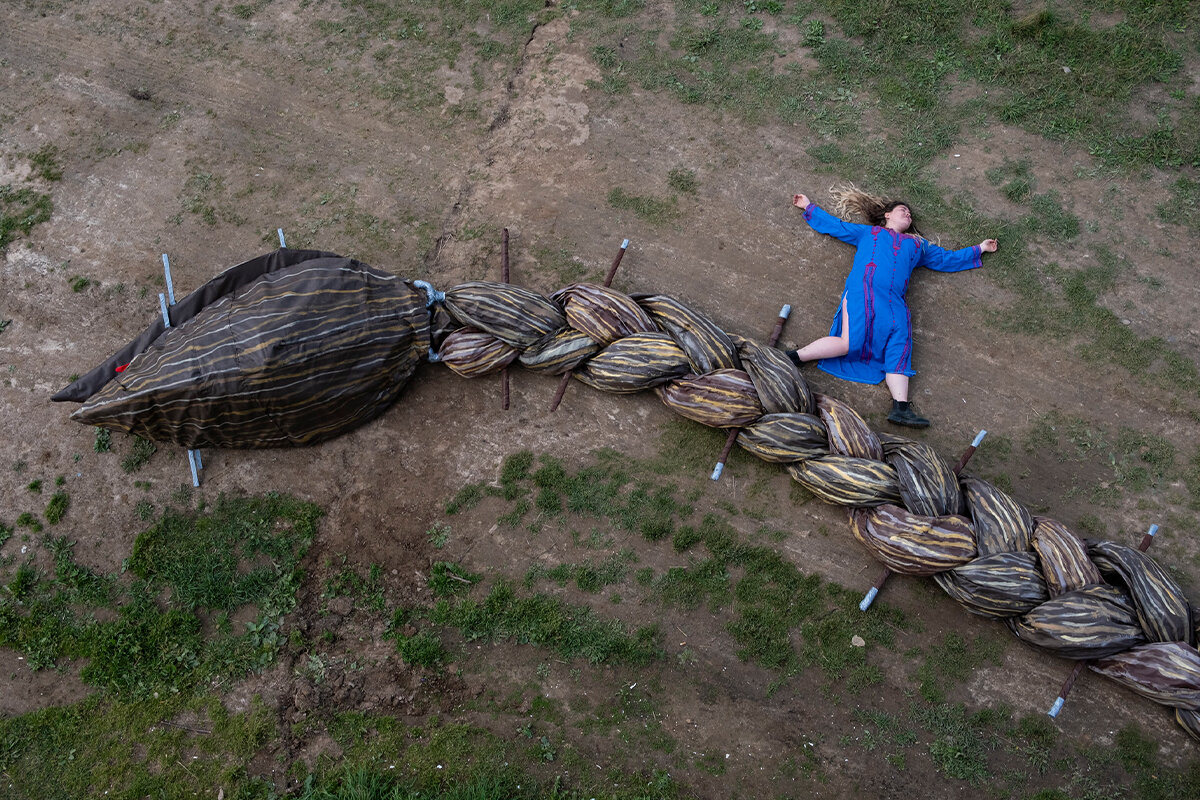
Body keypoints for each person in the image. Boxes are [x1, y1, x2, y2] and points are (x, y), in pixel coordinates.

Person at [788, 187, 998, 428]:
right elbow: (837, 226)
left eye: (909, 214)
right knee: (850, 342)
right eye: (902, 210)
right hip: (864, 291)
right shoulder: (869, 233)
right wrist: (808, 206)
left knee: (901, 345)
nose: (908, 214)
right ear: (887, 215)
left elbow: (945, 259)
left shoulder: (918, 246)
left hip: (894, 302)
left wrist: (980, 248)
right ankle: (792, 358)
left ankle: (901, 408)